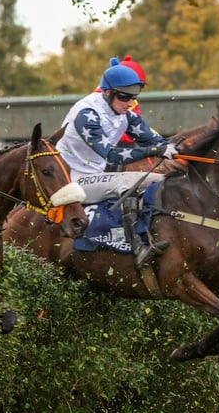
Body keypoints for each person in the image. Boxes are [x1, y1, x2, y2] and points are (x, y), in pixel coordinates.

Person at [56, 60, 179, 267]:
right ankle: (140, 246)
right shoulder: (87, 114)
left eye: (133, 97)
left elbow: (155, 140)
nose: (129, 102)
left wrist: (180, 150)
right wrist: (157, 150)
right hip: (69, 181)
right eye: (124, 96)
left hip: (92, 177)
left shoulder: (126, 115)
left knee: (160, 180)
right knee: (135, 181)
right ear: (107, 92)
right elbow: (112, 156)